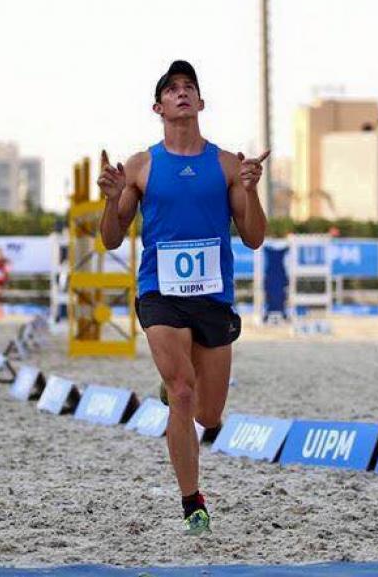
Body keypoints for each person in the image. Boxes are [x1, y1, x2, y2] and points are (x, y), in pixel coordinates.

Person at [97, 60, 268, 535]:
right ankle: (193, 502)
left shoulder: (227, 165)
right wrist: (112, 200)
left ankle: (176, 394)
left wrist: (252, 191)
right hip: (161, 294)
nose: (182, 93)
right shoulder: (141, 166)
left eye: (189, 87)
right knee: (184, 392)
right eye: (172, 89)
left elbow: (253, 238)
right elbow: (112, 239)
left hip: (213, 297)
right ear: (158, 107)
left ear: (201, 102)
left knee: (209, 415)